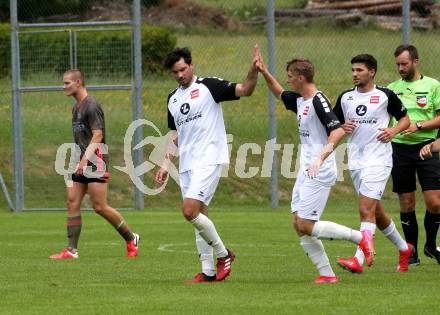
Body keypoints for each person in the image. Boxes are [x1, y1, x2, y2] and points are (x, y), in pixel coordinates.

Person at [255, 53, 374, 284]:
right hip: (306, 167)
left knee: (307, 224)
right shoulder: (300, 100)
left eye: (290, 76)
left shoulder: (318, 100)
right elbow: (279, 92)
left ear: (300, 78)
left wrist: (320, 158)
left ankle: (361, 238)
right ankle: (327, 275)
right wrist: (263, 71)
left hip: (320, 167)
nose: (288, 80)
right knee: (298, 224)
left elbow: (337, 130)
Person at [155, 46, 259, 283]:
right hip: (187, 164)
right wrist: (164, 163)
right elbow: (175, 134)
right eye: (175, 72)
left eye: (183, 69)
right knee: (199, 216)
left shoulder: (209, 86)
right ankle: (208, 271)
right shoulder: (172, 99)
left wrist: (253, 70)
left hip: (209, 158)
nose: (180, 75)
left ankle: (224, 255)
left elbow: (245, 90)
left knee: (189, 211)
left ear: (192, 65)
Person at [333, 54, 413, 273]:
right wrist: (342, 126)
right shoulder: (346, 98)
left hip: (378, 160)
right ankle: (404, 248)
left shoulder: (385, 95)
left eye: (359, 70)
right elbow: (333, 124)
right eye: (353, 70)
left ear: (372, 72)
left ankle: (358, 260)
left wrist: (393, 130)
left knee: (364, 208)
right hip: (356, 161)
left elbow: (406, 120)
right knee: (376, 213)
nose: (355, 74)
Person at [50, 69, 139, 259]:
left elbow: (98, 134)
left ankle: (131, 238)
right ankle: (71, 250)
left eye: (67, 83)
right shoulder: (76, 108)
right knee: (72, 202)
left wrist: (84, 160)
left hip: (95, 160)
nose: (64, 86)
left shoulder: (92, 105)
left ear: (78, 82)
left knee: (99, 207)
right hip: (80, 160)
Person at [388, 44, 440, 265]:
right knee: (407, 202)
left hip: (427, 147)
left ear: (415, 62)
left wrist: (418, 125)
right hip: (399, 149)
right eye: (398, 64)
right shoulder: (391, 89)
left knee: (435, 203)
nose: (401, 68)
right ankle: (412, 253)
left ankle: (430, 244)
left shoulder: (433, 86)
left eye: (404, 64)